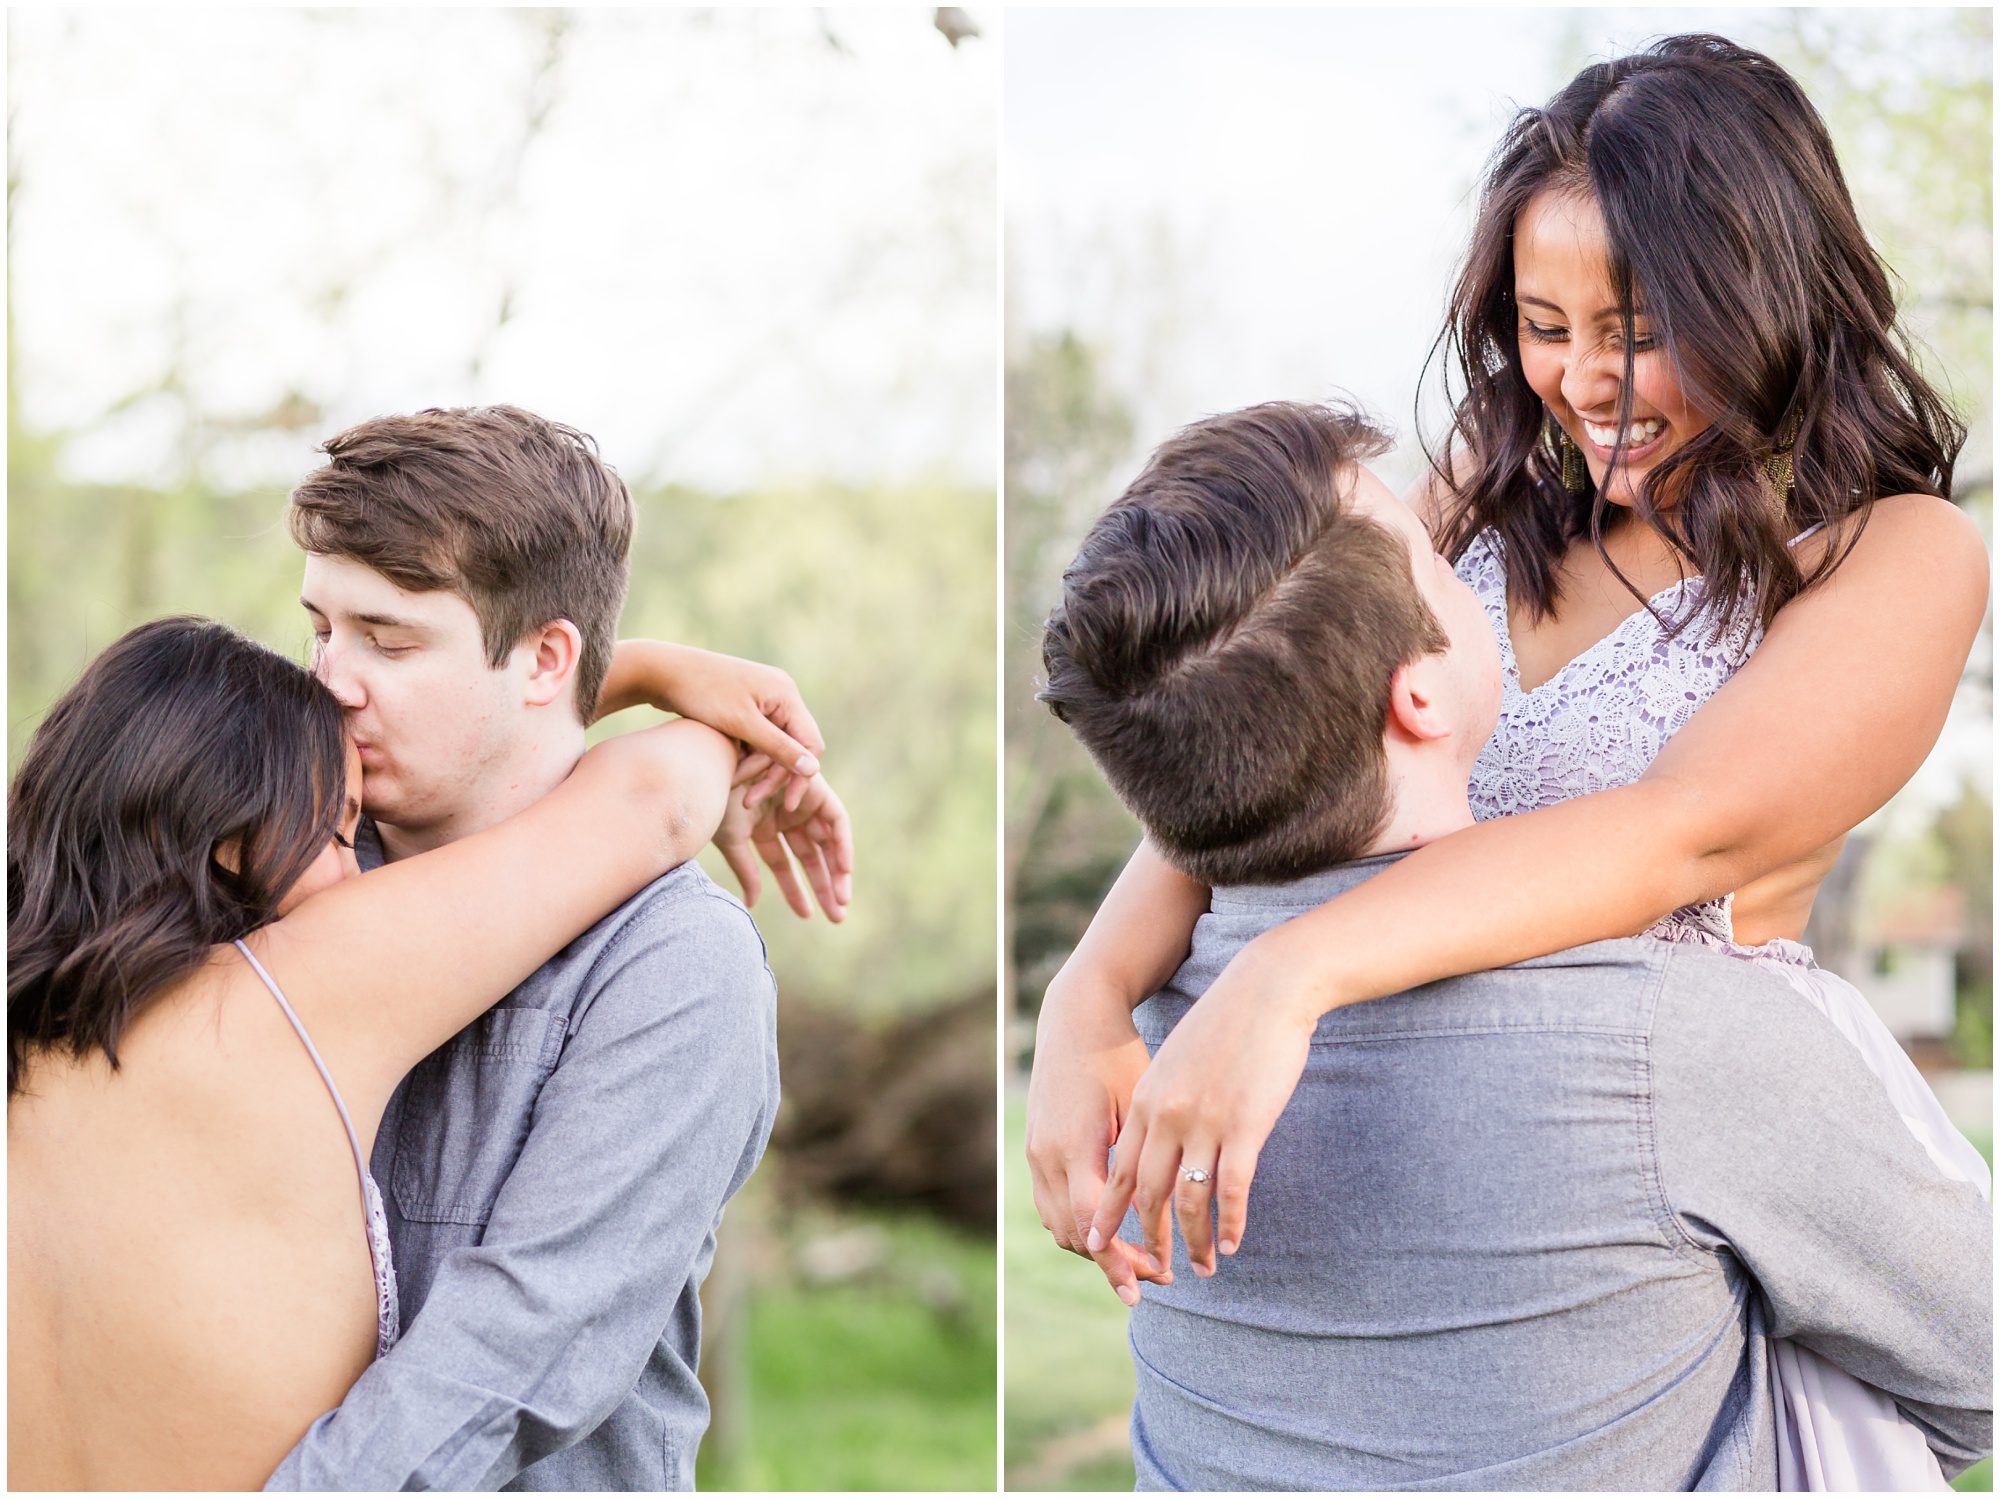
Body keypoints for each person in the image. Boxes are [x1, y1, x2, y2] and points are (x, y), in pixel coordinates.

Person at [1026, 38, 1990, 1490]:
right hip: (1406, 1155)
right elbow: (1281, 714)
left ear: (1772, 289)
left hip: (1669, 1166)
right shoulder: (1480, 488)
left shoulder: (1892, 556)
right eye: (1546, 324)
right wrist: (1086, 993)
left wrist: (1290, 974)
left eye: (1644, 326)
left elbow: (1682, 836)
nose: (1587, 379)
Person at [8, 616, 743, 1490]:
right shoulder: (295, 995)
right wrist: (660, 675)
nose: (360, 874)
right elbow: (654, 799)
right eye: (333, 829)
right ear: (230, 839)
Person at [254, 405, 846, 1490]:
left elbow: (510, 1362)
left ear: (545, 658)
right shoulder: (266, 864)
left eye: (387, 640)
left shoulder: (673, 967)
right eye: (321, 628)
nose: (330, 678)